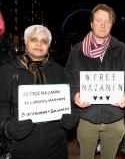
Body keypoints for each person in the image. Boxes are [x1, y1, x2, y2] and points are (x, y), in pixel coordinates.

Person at [65, 3, 125, 159]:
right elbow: (69, 78)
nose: (103, 25)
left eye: (108, 21)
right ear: (91, 24)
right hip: (87, 118)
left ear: (112, 24)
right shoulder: (77, 50)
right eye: (99, 20)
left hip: (114, 119)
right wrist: (75, 94)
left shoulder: (122, 49)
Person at [0, 25, 79, 159]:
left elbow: (70, 101)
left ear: (48, 45)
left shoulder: (59, 71)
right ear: (25, 42)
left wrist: (72, 117)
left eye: (44, 41)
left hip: (57, 148)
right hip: (21, 149)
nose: (39, 44)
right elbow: (1, 104)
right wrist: (7, 126)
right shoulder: (7, 70)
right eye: (34, 39)